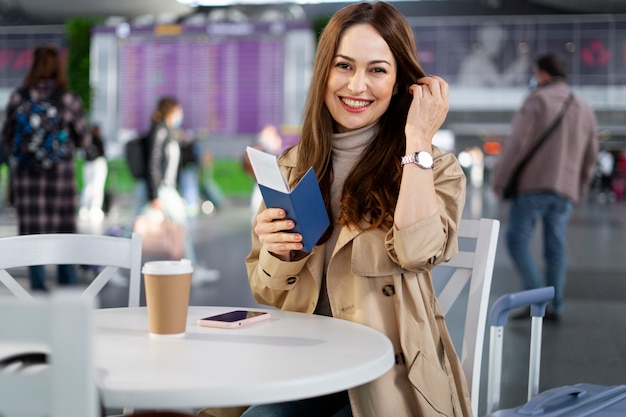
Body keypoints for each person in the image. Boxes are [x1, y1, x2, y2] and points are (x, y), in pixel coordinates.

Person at [244, 2, 470, 416]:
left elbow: (418, 251)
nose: (356, 85)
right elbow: (268, 292)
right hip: (304, 365)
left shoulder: (435, 167)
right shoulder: (293, 165)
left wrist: (417, 139)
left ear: (404, 81)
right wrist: (277, 252)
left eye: (378, 70)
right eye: (344, 66)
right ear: (324, 71)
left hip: (386, 375)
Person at [493, 52, 598, 321]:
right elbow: (591, 154)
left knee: (516, 240)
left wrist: (500, 180)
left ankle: (537, 298)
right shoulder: (583, 107)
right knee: (556, 245)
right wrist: (580, 187)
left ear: (543, 74)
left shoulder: (537, 100)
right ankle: (556, 304)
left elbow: (517, 144)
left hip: (534, 185)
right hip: (565, 190)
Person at [0, 44, 91, 291]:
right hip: (60, 179)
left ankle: (38, 294)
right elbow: (84, 141)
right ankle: (68, 294)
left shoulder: (19, 97)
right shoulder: (68, 99)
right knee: (63, 237)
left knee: (32, 236)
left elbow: (6, 137)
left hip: (26, 180)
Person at [142, 96, 220, 284]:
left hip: (166, 188)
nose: (180, 115)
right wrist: (154, 194)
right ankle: (191, 269)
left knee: (142, 228)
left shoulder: (170, 132)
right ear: (172, 111)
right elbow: (153, 163)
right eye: (179, 111)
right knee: (179, 226)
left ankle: (191, 268)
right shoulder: (161, 131)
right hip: (163, 189)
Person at [79, 124, 108, 222]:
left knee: (89, 186)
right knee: (96, 186)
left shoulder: (88, 140)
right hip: (97, 163)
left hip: (88, 164)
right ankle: (94, 208)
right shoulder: (98, 140)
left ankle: (86, 207)